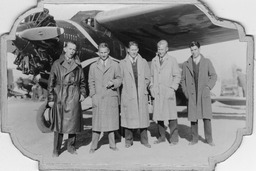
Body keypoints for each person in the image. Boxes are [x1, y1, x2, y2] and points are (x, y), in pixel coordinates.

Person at [48, 41, 86, 157]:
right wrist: (50, 98)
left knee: (73, 124)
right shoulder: (57, 64)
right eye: (70, 49)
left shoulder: (78, 65)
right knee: (59, 125)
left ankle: (71, 147)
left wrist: (83, 93)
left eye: (74, 49)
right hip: (60, 95)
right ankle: (56, 149)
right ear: (65, 49)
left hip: (74, 95)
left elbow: (83, 82)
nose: (72, 51)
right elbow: (51, 82)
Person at [181, 41, 217, 146]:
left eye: (195, 49)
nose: (193, 52)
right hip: (191, 94)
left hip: (203, 94)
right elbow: (182, 80)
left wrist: (208, 86)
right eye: (192, 50)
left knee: (206, 117)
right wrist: (185, 92)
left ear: (199, 49)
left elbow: (213, 76)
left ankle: (209, 140)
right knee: (193, 118)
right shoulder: (186, 64)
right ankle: (194, 139)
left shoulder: (207, 62)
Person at [88, 43, 122, 153]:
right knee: (97, 125)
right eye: (101, 52)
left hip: (110, 97)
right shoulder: (93, 66)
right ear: (98, 52)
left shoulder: (115, 65)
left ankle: (112, 145)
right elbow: (91, 82)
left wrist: (113, 82)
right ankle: (93, 146)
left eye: (105, 52)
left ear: (109, 52)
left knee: (111, 123)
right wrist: (93, 95)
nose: (103, 55)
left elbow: (120, 79)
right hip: (98, 98)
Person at [119, 41, 151, 148]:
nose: (133, 52)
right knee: (128, 117)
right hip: (128, 94)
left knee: (142, 118)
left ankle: (144, 140)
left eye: (135, 50)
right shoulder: (122, 63)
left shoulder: (143, 62)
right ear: (128, 50)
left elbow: (147, 78)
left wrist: (143, 86)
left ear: (138, 50)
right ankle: (128, 141)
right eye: (131, 50)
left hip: (140, 93)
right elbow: (120, 78)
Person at [150, 40, 181, 145]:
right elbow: (151, 76)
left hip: (168, 92)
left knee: (172, 117)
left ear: (167, 49)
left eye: (162, 49)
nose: (160, 51)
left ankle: (174, 139)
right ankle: (161, 137)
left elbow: (177, 76)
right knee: (159, 116)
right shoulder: (154, 61)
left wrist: (172, 88)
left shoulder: (172, 60)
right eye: (159, 49)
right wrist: (151, 87)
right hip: (157, 92)